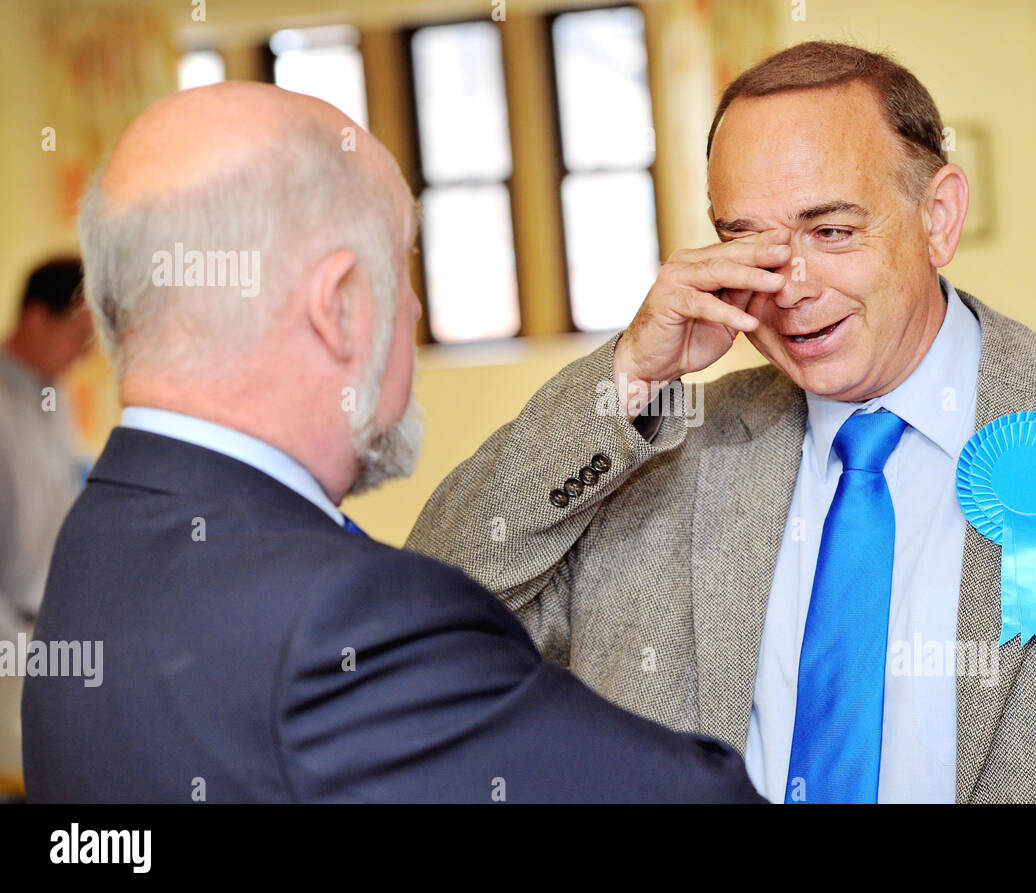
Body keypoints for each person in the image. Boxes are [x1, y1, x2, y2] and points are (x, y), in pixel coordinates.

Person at [406, 41, 1036, 803]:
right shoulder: (654, 450)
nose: (790, 288)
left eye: (831, 231)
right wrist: (626, 377)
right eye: (749, 240)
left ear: (938, 217)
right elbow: (422, 633)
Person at [20, 82, 762, 804]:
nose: (410, 306)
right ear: (338, 306)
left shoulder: (100, 534)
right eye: (399, 266)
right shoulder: (344, 616)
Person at [0, 258, 92, 646]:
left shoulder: (55, 393)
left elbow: (69, 481)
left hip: (48, 626)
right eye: (79, 335)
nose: (86, 354)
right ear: (38, 319)